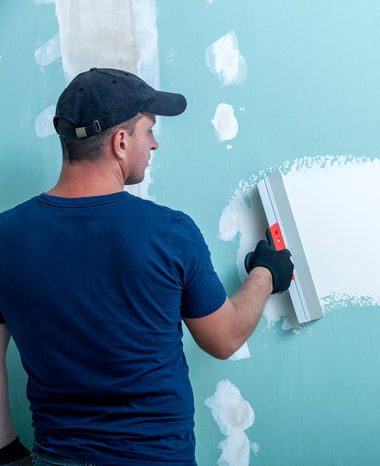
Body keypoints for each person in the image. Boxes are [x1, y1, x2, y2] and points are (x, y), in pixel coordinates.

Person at [0, 68, 294, 465]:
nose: (154, 144)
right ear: (121, 142)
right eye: (149, 130)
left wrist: (5, 450)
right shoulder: (169, 232)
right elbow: (224, 339)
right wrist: (266, 272)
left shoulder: (6, 236)